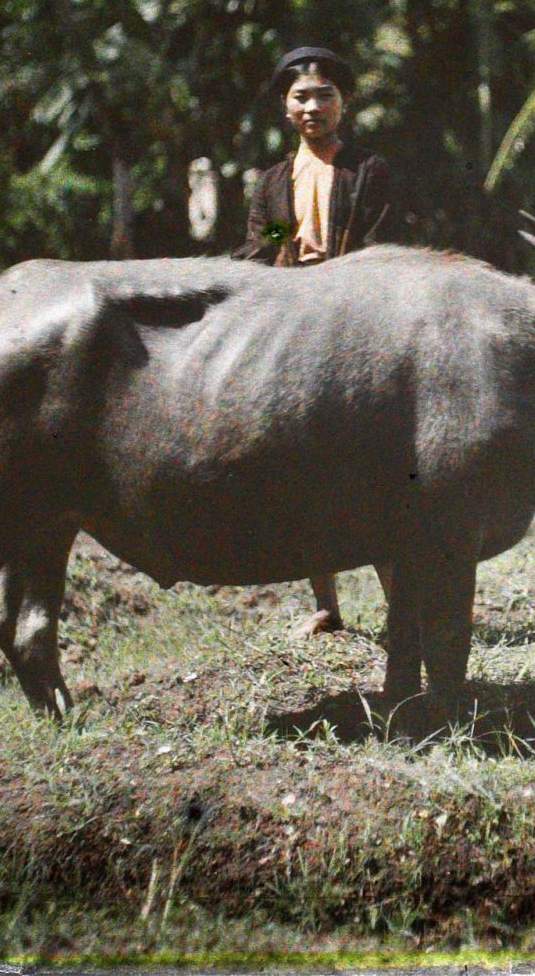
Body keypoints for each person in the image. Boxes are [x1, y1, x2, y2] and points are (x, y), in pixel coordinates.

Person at [232, 45, 396, 634]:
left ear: (343, 102)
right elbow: (267, 241)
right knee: (302, 467)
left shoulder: (367, 172)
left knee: (374, 465)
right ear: (285, 106)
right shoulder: (275, 184)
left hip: (357, 323)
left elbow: (379, 243)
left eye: (324, 95)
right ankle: (326, 605)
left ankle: (400, 598)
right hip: (292, 328)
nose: (313, 106)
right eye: (301, 96)